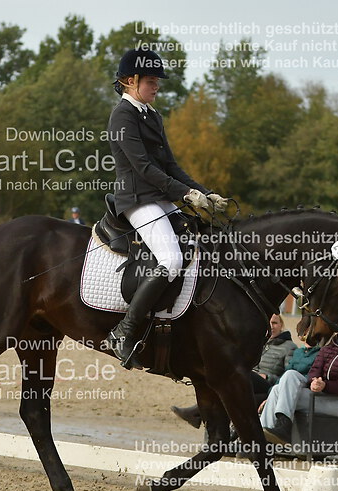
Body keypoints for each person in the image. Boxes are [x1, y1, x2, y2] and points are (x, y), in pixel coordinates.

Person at [104, 47, 229, 369]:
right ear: (130, 81)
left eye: (157, 81)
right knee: (171, 259)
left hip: (160, 199)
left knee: (201, 243)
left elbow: (170, 165)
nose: (157, 86)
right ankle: (124, 330)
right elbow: (143, 167)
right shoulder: (123, 115)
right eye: (150, 81)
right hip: (136, 199)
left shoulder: (152, 115)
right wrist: (185, 194)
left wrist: (206, 194)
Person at [261, 309, 338, 446]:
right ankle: (272, 431)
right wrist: (314, 381)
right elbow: (314, 370)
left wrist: (325, 385)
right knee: (287, 377)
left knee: (279, 393)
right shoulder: (329, 348)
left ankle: (263, 442)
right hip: (319, 396)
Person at [171, 313, 298, 429]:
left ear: (281, 325)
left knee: (237, 374)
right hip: (253, 383)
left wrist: (269, 377)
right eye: (269, 322)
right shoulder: (261, 342)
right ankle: (206, 420)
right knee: (232, 394)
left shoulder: (289, 347)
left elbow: (288, 375)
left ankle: (195, 412)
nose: (271, 326)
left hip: (268, 384)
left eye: (275, 323)